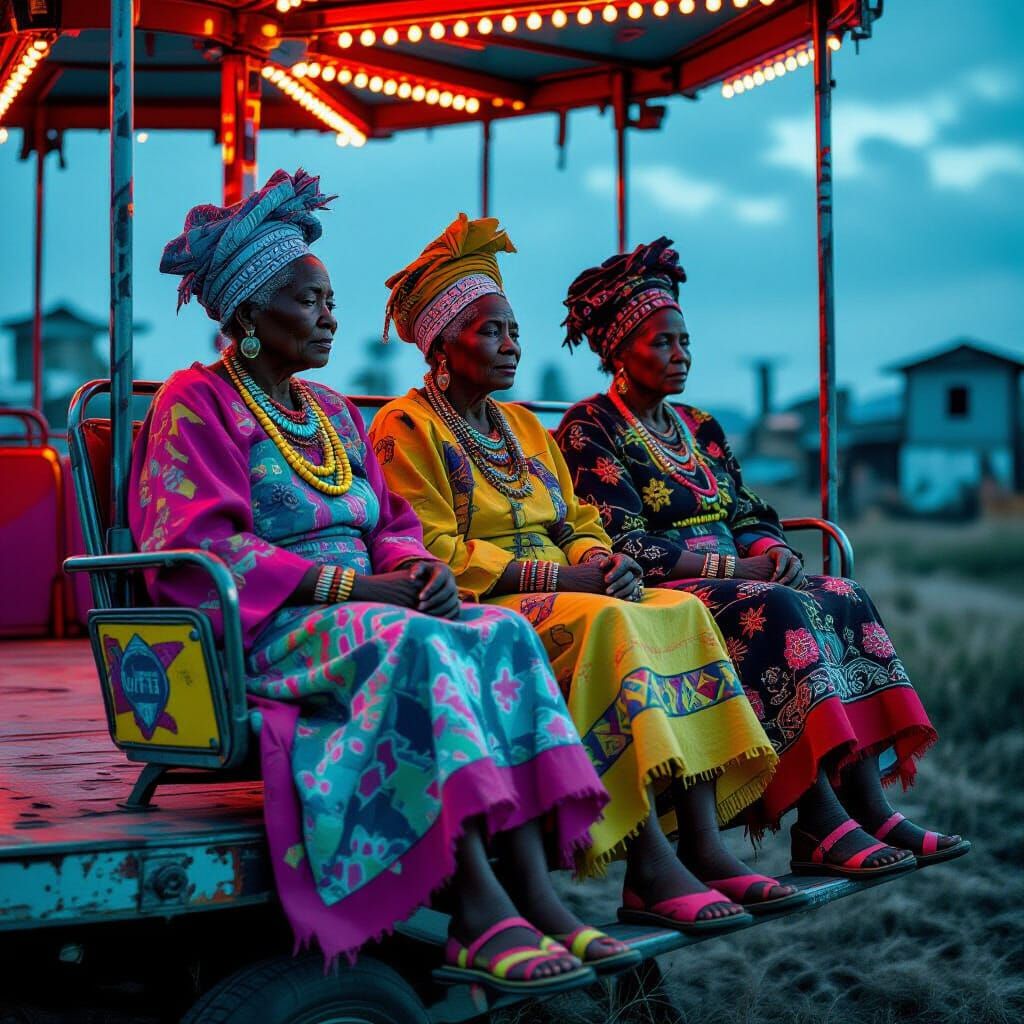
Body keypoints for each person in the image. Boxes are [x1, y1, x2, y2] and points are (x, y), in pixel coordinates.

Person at [128, 169, 620, 993]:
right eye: (308, 301)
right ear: (247, 315)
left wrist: (415, 568)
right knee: (415, 641)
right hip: (266, 626)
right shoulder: (193, 403)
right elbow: (199, 548)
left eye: (331, 301)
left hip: (367, 609)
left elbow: (389, 525)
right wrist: (355, 591)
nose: (330, 317)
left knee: (503, 630)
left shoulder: (330, 409)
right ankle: (476, 912)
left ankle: (538, 895)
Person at [369, 213, 799, 934]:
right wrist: (571, 582)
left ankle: (701, 842)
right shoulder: (405, 427)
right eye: (491, 331)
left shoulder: (522, 426)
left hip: (573, 586)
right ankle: (648, 861)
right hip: (491, 598)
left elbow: (577, 520)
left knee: (679, 609)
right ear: (441, 345)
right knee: (609, 622)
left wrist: (602, 559)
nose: (512, 345)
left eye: (514, 331)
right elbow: (435, 547)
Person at [556, 237, 969, 877]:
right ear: (618, 352)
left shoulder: (700, 426)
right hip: (668, 586)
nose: (681, 355)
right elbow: (623, 542)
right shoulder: (590, 428)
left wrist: (770, 548)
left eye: (685, 341)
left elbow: (747, 509)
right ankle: (818, 819)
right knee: (773, 606)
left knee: (843, 595)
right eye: (662, 343)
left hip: (740, 578)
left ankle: (869, 804)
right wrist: (736, 569)